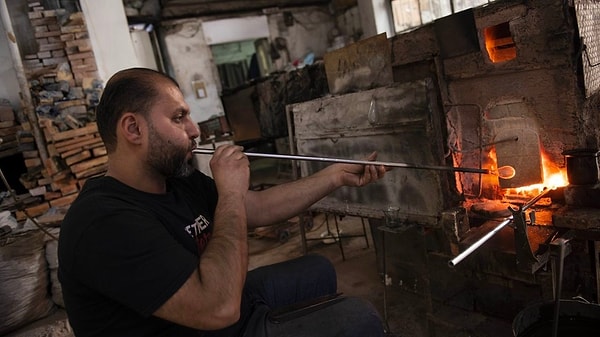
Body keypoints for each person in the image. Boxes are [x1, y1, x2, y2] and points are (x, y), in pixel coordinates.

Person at [58, 67, 388, 337]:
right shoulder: (104, 222)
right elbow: (219, 308)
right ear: (133, 128)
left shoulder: (175, 180)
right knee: (359, 318)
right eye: (178, 118)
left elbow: (254, 207)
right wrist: (229, 192)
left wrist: (334, 176)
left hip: (225, 305)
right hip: (212, 316)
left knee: (317, 270)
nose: (194, 130)